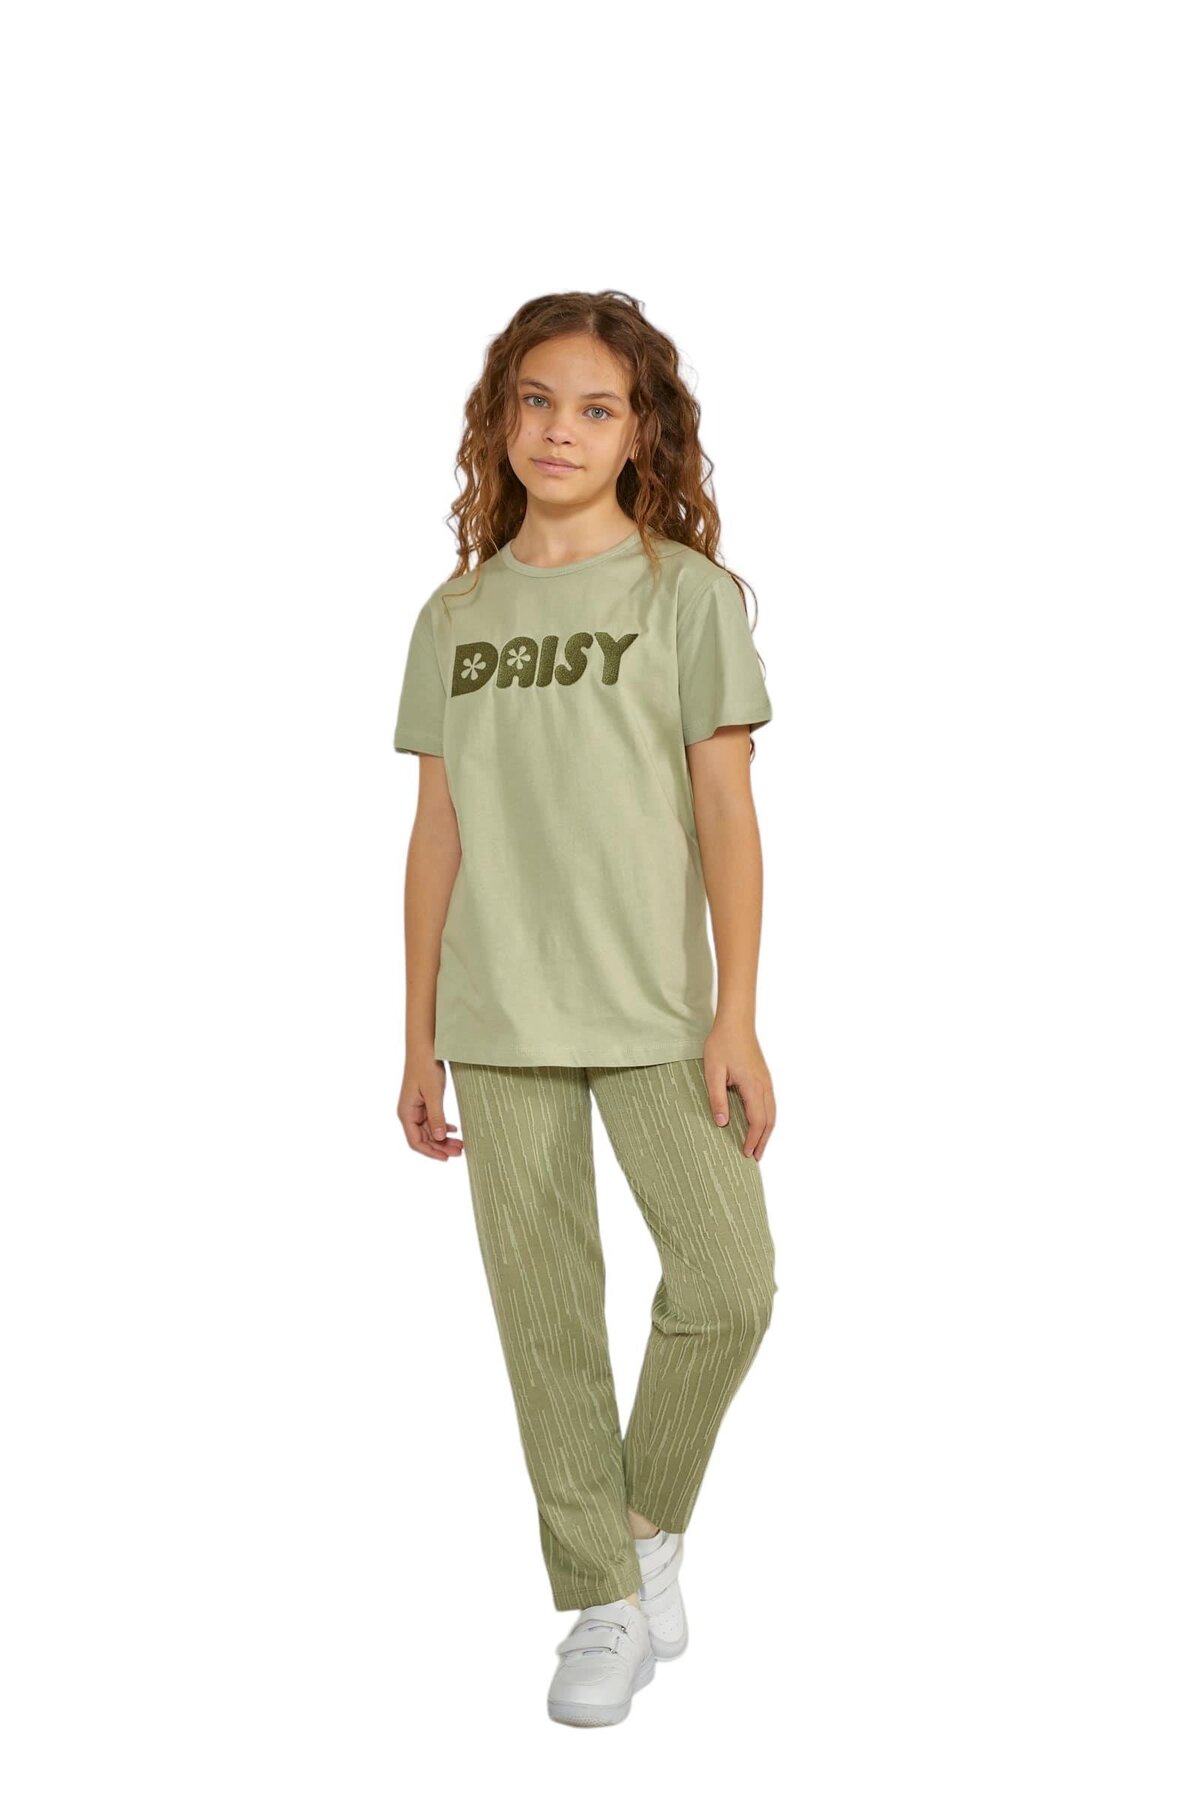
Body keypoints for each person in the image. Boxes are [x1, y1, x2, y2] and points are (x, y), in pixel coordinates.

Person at [391, 289, 779, 1728]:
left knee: (730, 1285)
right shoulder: (456, 615)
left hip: (659, 1012)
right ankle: (603, 1605)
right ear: (500, 420)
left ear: (639, 434)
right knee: (546, 1322)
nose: (561, 429)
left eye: (596, 408)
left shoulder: (686, 598)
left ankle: (638, 1526)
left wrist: (737, 1015)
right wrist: (417, 1031)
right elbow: (436, 830)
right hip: (496, 1016)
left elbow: (726, 813)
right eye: (536, 401)